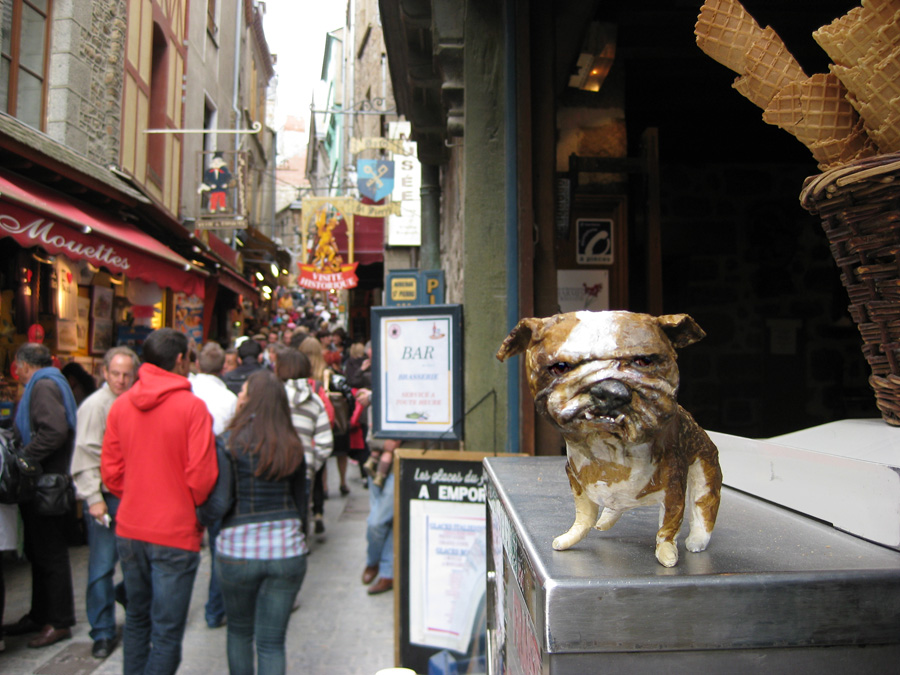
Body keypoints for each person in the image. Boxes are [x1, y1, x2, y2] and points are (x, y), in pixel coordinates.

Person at [101, 328, 218, 674]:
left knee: (138, 619)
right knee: (166, 631)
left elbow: (111, 472)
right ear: (180, 360)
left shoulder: (121, 406)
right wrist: (182, 502)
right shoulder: (193, 408)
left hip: (131, 527)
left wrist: (138, 491)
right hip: (175, 532)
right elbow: (201, 478)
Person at [216, 370, 308, 675]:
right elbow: (300, 501)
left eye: (244, 391)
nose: (240, 396)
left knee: (239, 633)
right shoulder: (292, 443)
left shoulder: (228, 442)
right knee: (271, 641)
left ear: (251, 398)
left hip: (238, 550)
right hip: (287, 550)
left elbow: (221, 501)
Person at [3, 343, 78, 648]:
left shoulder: (44, 385)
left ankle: (59, 621)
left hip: (47, 483)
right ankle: (40, 613)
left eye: (17, 367)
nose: (17, 372)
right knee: (39, 551)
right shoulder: (50, 380)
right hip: (46, 481)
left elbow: (54, 431)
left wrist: (23, 457)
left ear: (23, 365)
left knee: (50, 554)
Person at [70, 346, 139, 660]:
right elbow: (84, 456)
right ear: (105, 373)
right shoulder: (96, 405)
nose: (121, 380)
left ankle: (124, 600)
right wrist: (93, 498)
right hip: (104, 496)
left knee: (134, 561)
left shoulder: (132, 399)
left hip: (129, 496)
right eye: (116, 374)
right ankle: (102, 631)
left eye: (127, 374)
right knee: (101, 567)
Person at [189, 341, 238, 630]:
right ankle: (214, 609)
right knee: (219, 547)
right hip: (217, 479)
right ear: (223, 368)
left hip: (186, 477)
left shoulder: (187, 390)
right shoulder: (229, 398)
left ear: (196, 364)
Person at [275, 348, 333, 535]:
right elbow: (325, 442)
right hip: (304, 468)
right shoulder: (315, 401)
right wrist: (310, 463)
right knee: (301, 516)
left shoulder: (273, 396)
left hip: (274, 465)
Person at [363, 430, 401, 595]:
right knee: (380, 520)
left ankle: (377, 564)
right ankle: (384, 570)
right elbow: (370, 435)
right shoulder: (379, 404)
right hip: (377, 465)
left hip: (398, 466)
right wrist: (384, 445)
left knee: (377, 521)